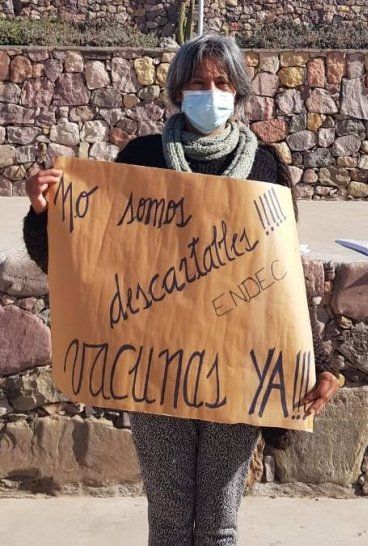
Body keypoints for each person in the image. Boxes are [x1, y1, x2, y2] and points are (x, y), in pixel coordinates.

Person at [23, 33, 342, 545]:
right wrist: (44, 215)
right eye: (198, 82)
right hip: (158, 369)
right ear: (177, 89)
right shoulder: (140, 159)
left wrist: (316, 358)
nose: (210, 93)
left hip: (238, 364)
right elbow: (83, 257)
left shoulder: (267, 167)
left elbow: (281, 273)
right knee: (168, 521)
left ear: (238, 93)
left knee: (220, 523)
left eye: (221, 83)